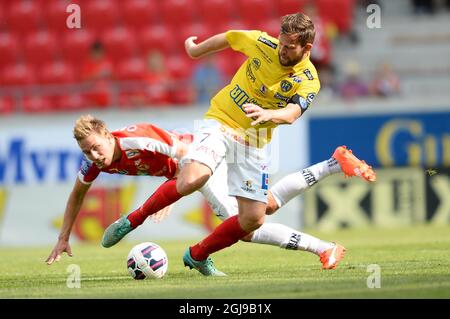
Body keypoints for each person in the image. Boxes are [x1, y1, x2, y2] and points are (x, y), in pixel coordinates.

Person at [104, 13, 376, 277]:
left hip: (255, 141)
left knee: (252, 221)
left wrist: (270, 114)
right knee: (191, 180)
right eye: (281, 43)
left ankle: (198, 255)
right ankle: (133, 220)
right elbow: (231, 37)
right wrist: (196, 51)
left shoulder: (308, 80)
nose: (282, 50)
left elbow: (293, 113)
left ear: (307, 48)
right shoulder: (263, 44)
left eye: (289, 47)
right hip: (221, 122)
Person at [46, 115, 376, 269]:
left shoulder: (136, 138)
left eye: (95, 147)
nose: (93, 156)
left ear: (107, 134)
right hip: (200, 165)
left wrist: (173, 193)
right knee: (265, 207)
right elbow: (77, 194)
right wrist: (63, 236)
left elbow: (186, 158)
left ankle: (323, 248)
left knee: (246, 227)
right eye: (86, 152)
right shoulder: (97, 163)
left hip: (208, 160)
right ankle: (334, 164)